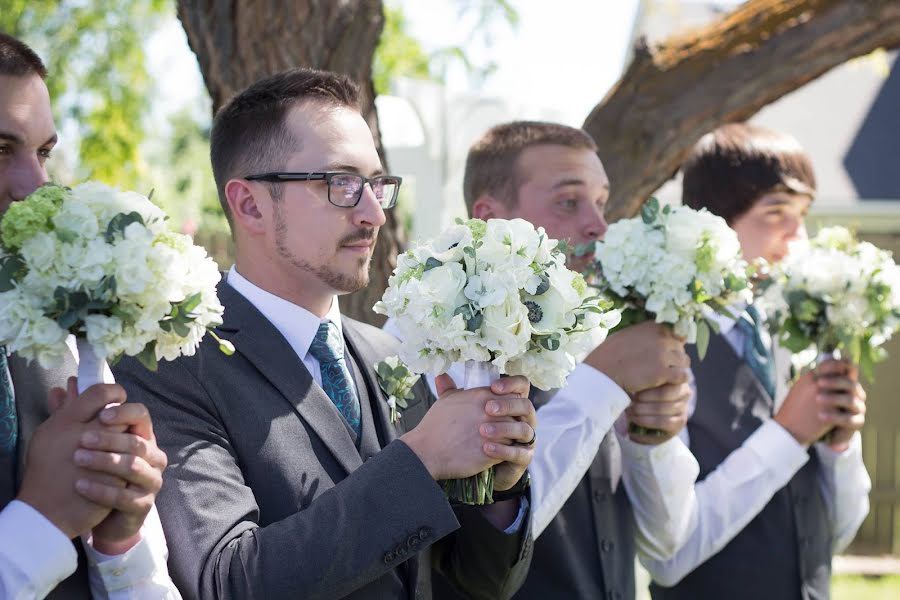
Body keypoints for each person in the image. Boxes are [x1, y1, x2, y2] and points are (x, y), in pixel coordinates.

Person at [114, 67, 538, 600]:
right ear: (250, 205)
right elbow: (228, 581)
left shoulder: (394, 353)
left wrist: (500, 487)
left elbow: (481, 582)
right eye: (340, 184)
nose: (373, 213)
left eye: (376, 185)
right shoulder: (171, 364)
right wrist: (422, 459)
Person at [387, 120, 699, 600]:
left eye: (601, 201)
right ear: (490, 218)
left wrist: (653, 442)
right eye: (569, 202)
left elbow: (666, 545)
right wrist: (604, 383)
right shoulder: (431, 338)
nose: (598, 224)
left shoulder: (612, 332)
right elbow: (472, 546)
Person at [644, 123, 871, 599]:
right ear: (713, 222)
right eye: (776, 213)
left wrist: (839, 449)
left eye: (803, 215)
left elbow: (834, 537)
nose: (797, 238)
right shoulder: (668, 348)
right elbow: (667, 558)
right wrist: (788, 434)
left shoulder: (800, 332)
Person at [0, 32, 179, 599]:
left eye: (44, 152)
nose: (35, 186)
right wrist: (41, 522)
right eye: (0, 150)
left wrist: (120, 538)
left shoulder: (57, 326)